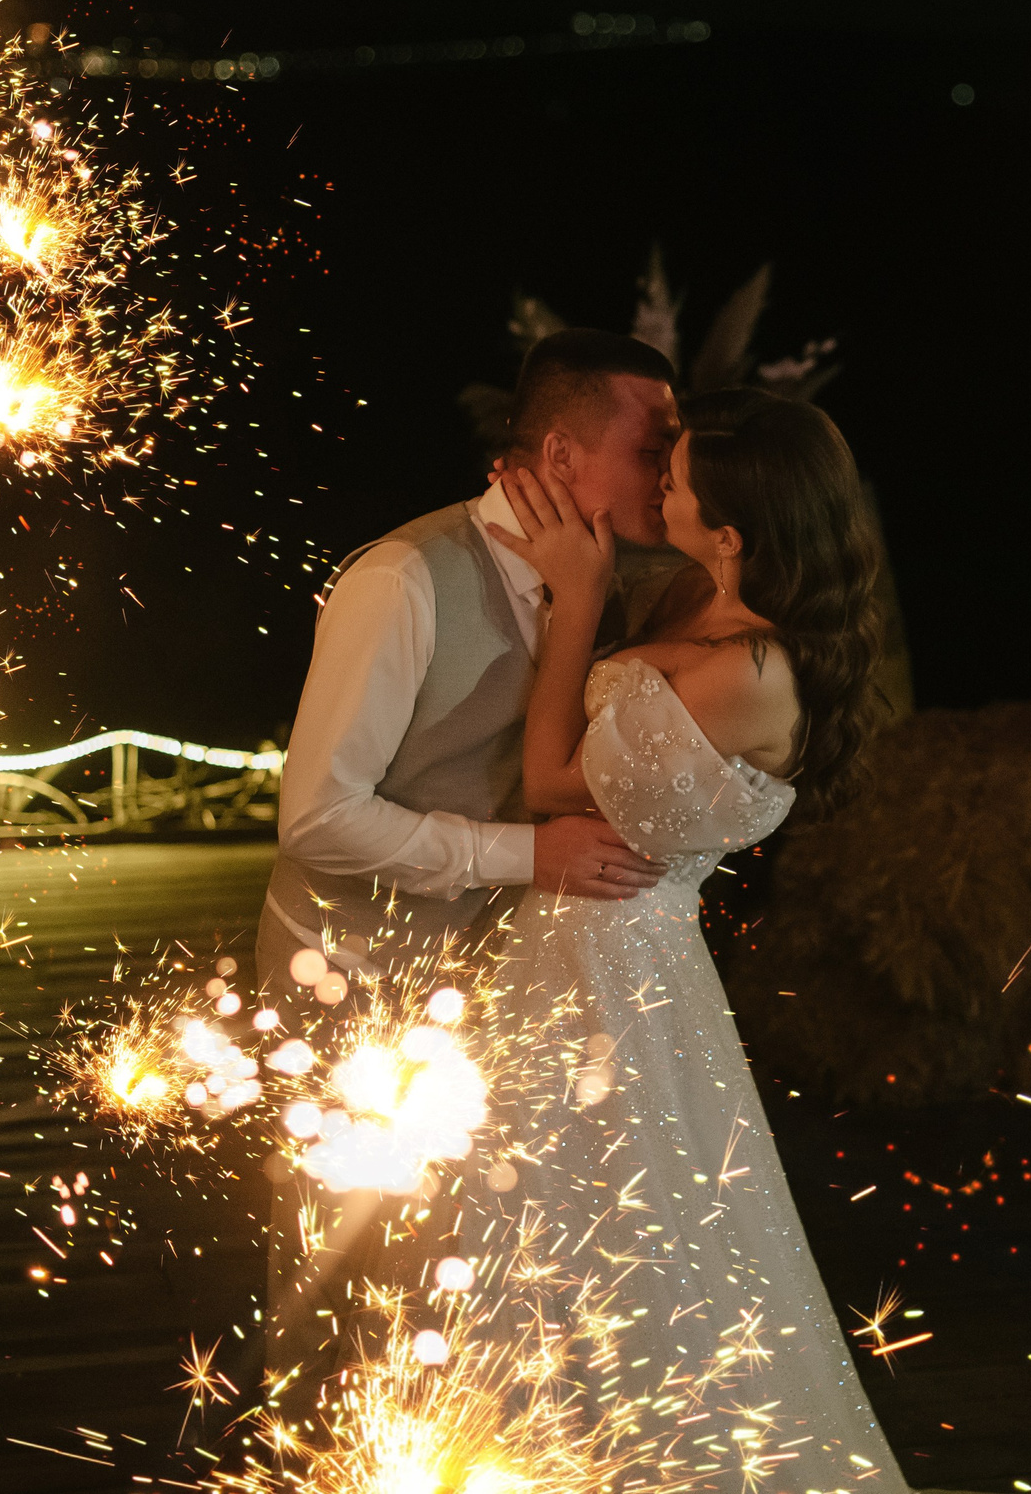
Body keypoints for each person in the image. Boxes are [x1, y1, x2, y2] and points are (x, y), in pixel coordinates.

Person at [479, 388, 902, 1487]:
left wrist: (575, 602)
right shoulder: (696, 600)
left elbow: (545, 784)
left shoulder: (751, 670)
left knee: (627, 1226)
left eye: (676, 476)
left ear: (729, 531)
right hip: (586, 940)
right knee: (535, 1216)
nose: (658, 476)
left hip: (616, 958)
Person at [256, 328, 680, 1374]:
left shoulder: (620, 584)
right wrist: (523, 857)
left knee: (460, 1276)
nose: (670, 470)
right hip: (347, 975)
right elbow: (315, 814)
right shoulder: (403, 578)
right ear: (562, 457)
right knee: (339, 1265)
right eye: (651, 445)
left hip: (502, 986)